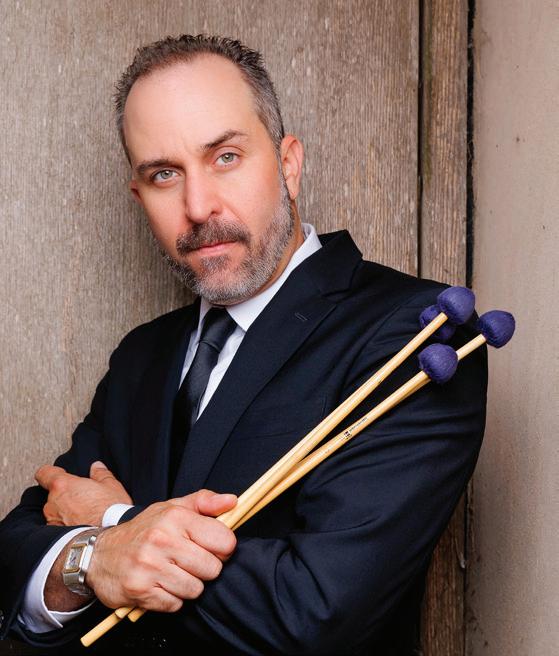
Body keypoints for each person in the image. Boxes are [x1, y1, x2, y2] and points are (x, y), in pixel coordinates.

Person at [0, 35, 487, 655]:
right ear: (140, 196)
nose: (198, 206)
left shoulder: (419, 336)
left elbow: (317, 610)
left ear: (288, 164)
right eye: (164, 174)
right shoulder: (142, 356)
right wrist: (91, 561)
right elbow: (15, 547)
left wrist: (113, 526)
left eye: (225, 157)